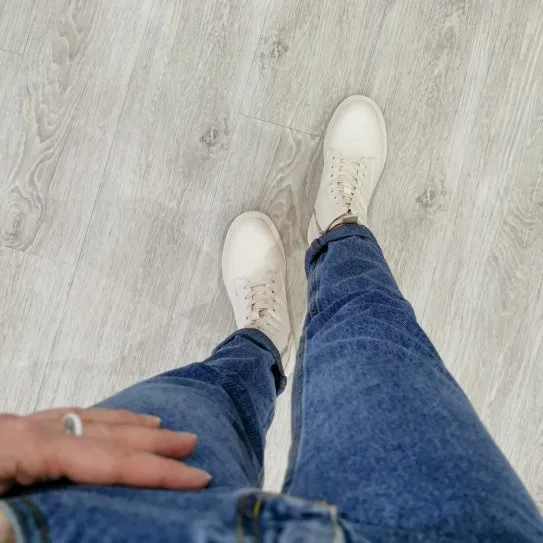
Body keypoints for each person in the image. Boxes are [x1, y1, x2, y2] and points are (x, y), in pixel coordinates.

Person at [0, 96, 541, 542]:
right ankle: (339, 234)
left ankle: (260, 340)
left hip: (90, 522)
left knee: (209, 396)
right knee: (371, 334)